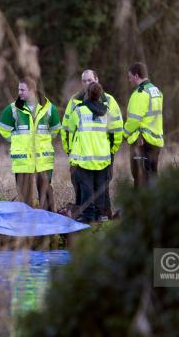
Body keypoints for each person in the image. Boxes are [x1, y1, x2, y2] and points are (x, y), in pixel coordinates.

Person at [61, 69, 123, 219]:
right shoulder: (75, 101)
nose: (88, 83)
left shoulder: (109, 101)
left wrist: (112, 150)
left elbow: (117, 128)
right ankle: (93, 216)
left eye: (90, 80)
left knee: (101, 188)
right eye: (85, 81)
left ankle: (99, 215)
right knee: (82, 188)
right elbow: (67, 130)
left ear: (97, 79)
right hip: (83, 153)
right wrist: (69, 150)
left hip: (102, 152)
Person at [0, 77, 61, 211]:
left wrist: (44, 140)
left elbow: (56, 129)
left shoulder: (49, 108)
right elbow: (2, 128)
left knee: (46, 195)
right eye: (18, 89)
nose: (19, 92)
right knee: (24, 199)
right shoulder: (13, 109)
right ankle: (26, 227)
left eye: (22, 89)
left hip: (42, 160)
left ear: (32, 90)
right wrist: (15, 140)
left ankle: (49, 225)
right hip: (23, 160)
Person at [66, 82, 111, 223]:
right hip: (102, 157)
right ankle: (99, 216)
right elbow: (113, 132)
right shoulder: (106, 111)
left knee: (87, 189)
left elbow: (68, 128)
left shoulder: (79, 111)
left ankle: (89, 217)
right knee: (100, 190)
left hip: (85, 158)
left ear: (87, 93)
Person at [123, 62, 164, 188]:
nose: (129, 80)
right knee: (152, 177)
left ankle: (139, 207)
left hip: (142, 142)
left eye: (130, 77)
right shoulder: (156, 91)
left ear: (136, 76)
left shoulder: (140, 94)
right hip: (155, 141)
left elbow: (134, 120)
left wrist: (124, 134)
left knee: (140, 179)